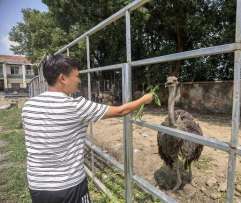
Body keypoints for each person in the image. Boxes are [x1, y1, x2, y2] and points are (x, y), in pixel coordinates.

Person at [22, 54, 153, 203]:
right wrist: (145, 99)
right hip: (68, 186)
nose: (79, 80)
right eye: (76, 76)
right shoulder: (76, 106)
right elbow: (121, 111)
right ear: (62, 78)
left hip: (37, 185)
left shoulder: (29, 106)